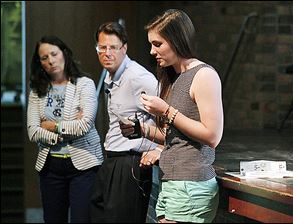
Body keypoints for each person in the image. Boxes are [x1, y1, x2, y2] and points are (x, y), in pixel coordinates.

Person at [121, 9, 223, 223]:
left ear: (177, 40)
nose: (151, 51)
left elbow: (212, 136)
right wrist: (142, 130)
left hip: (190, 184)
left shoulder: (203, 75)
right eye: (151, 44)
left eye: (157, 44)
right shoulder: (175, 78)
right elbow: (176, 137)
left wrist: (166, 111)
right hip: (173, 182)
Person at [27, 35, 103, 223]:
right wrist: (64, 132)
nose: (51, 60)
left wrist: (53, 126)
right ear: (40, 63)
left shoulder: (84, 84)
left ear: (64, 54)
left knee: (82, 219)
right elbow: (33, 131)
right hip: (50, 167)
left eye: (54, 54)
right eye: (44, 58)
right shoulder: (37, 90)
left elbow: (85, 125)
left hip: (83, 166)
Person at [89, 22, 160, 223]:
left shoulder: (138, 77)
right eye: (102, 47)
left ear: (124, 48)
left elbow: (168, 112)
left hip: (130, 163)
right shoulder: (111, 76)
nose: (107, 53)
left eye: (113, 47)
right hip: (112, 160)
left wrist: (160, 148)